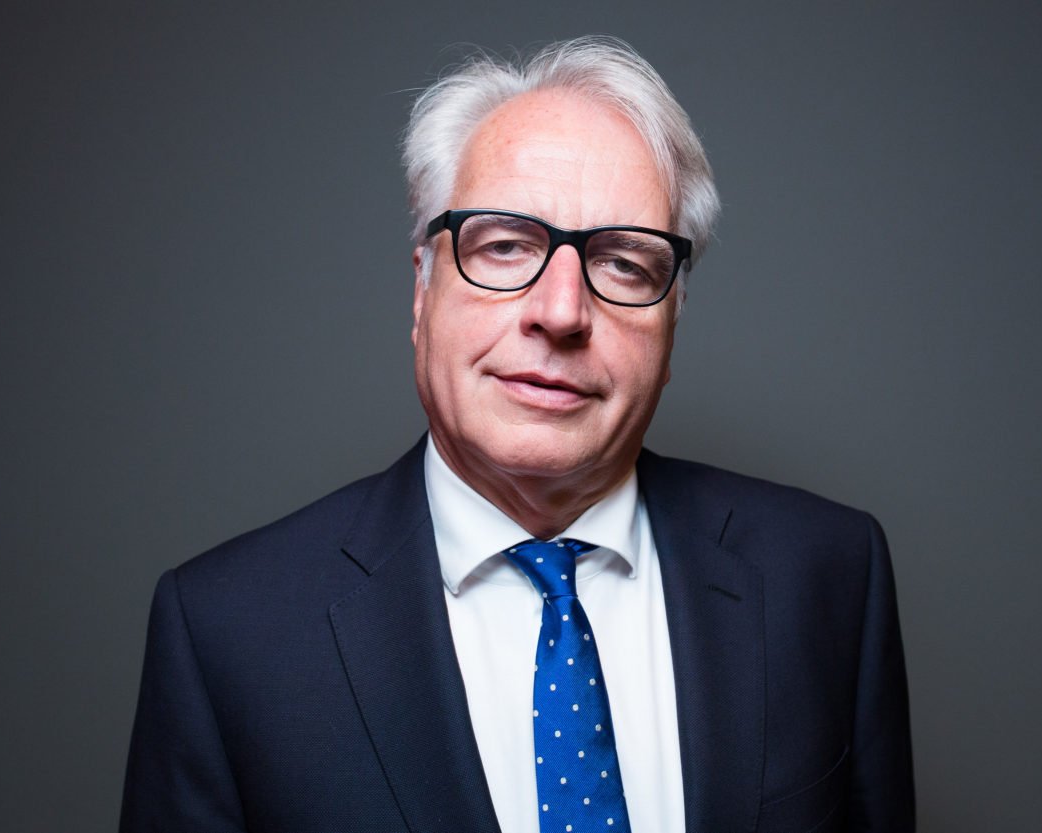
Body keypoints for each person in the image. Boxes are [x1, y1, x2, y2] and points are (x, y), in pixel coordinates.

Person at [120, 36, 914, 833]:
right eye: (505, 246)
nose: (562, 311)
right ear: (422, 293)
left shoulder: (829, 575)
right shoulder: (229, 633)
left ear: (673, 325)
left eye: (624, 265)